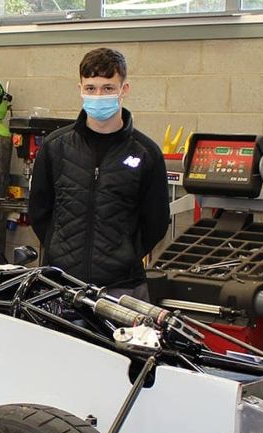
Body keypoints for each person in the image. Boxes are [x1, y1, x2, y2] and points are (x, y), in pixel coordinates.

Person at [27, 48, 169, 300]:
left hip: (123, 287)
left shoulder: (146, 153)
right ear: (80, 88)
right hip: (60, 283)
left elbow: (156, 221)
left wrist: (125, 254)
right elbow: (39, 212)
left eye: (107, 88)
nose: (98, 95)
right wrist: (61, 252)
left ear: (124, 89)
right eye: (91, 88)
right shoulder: (55, 147)